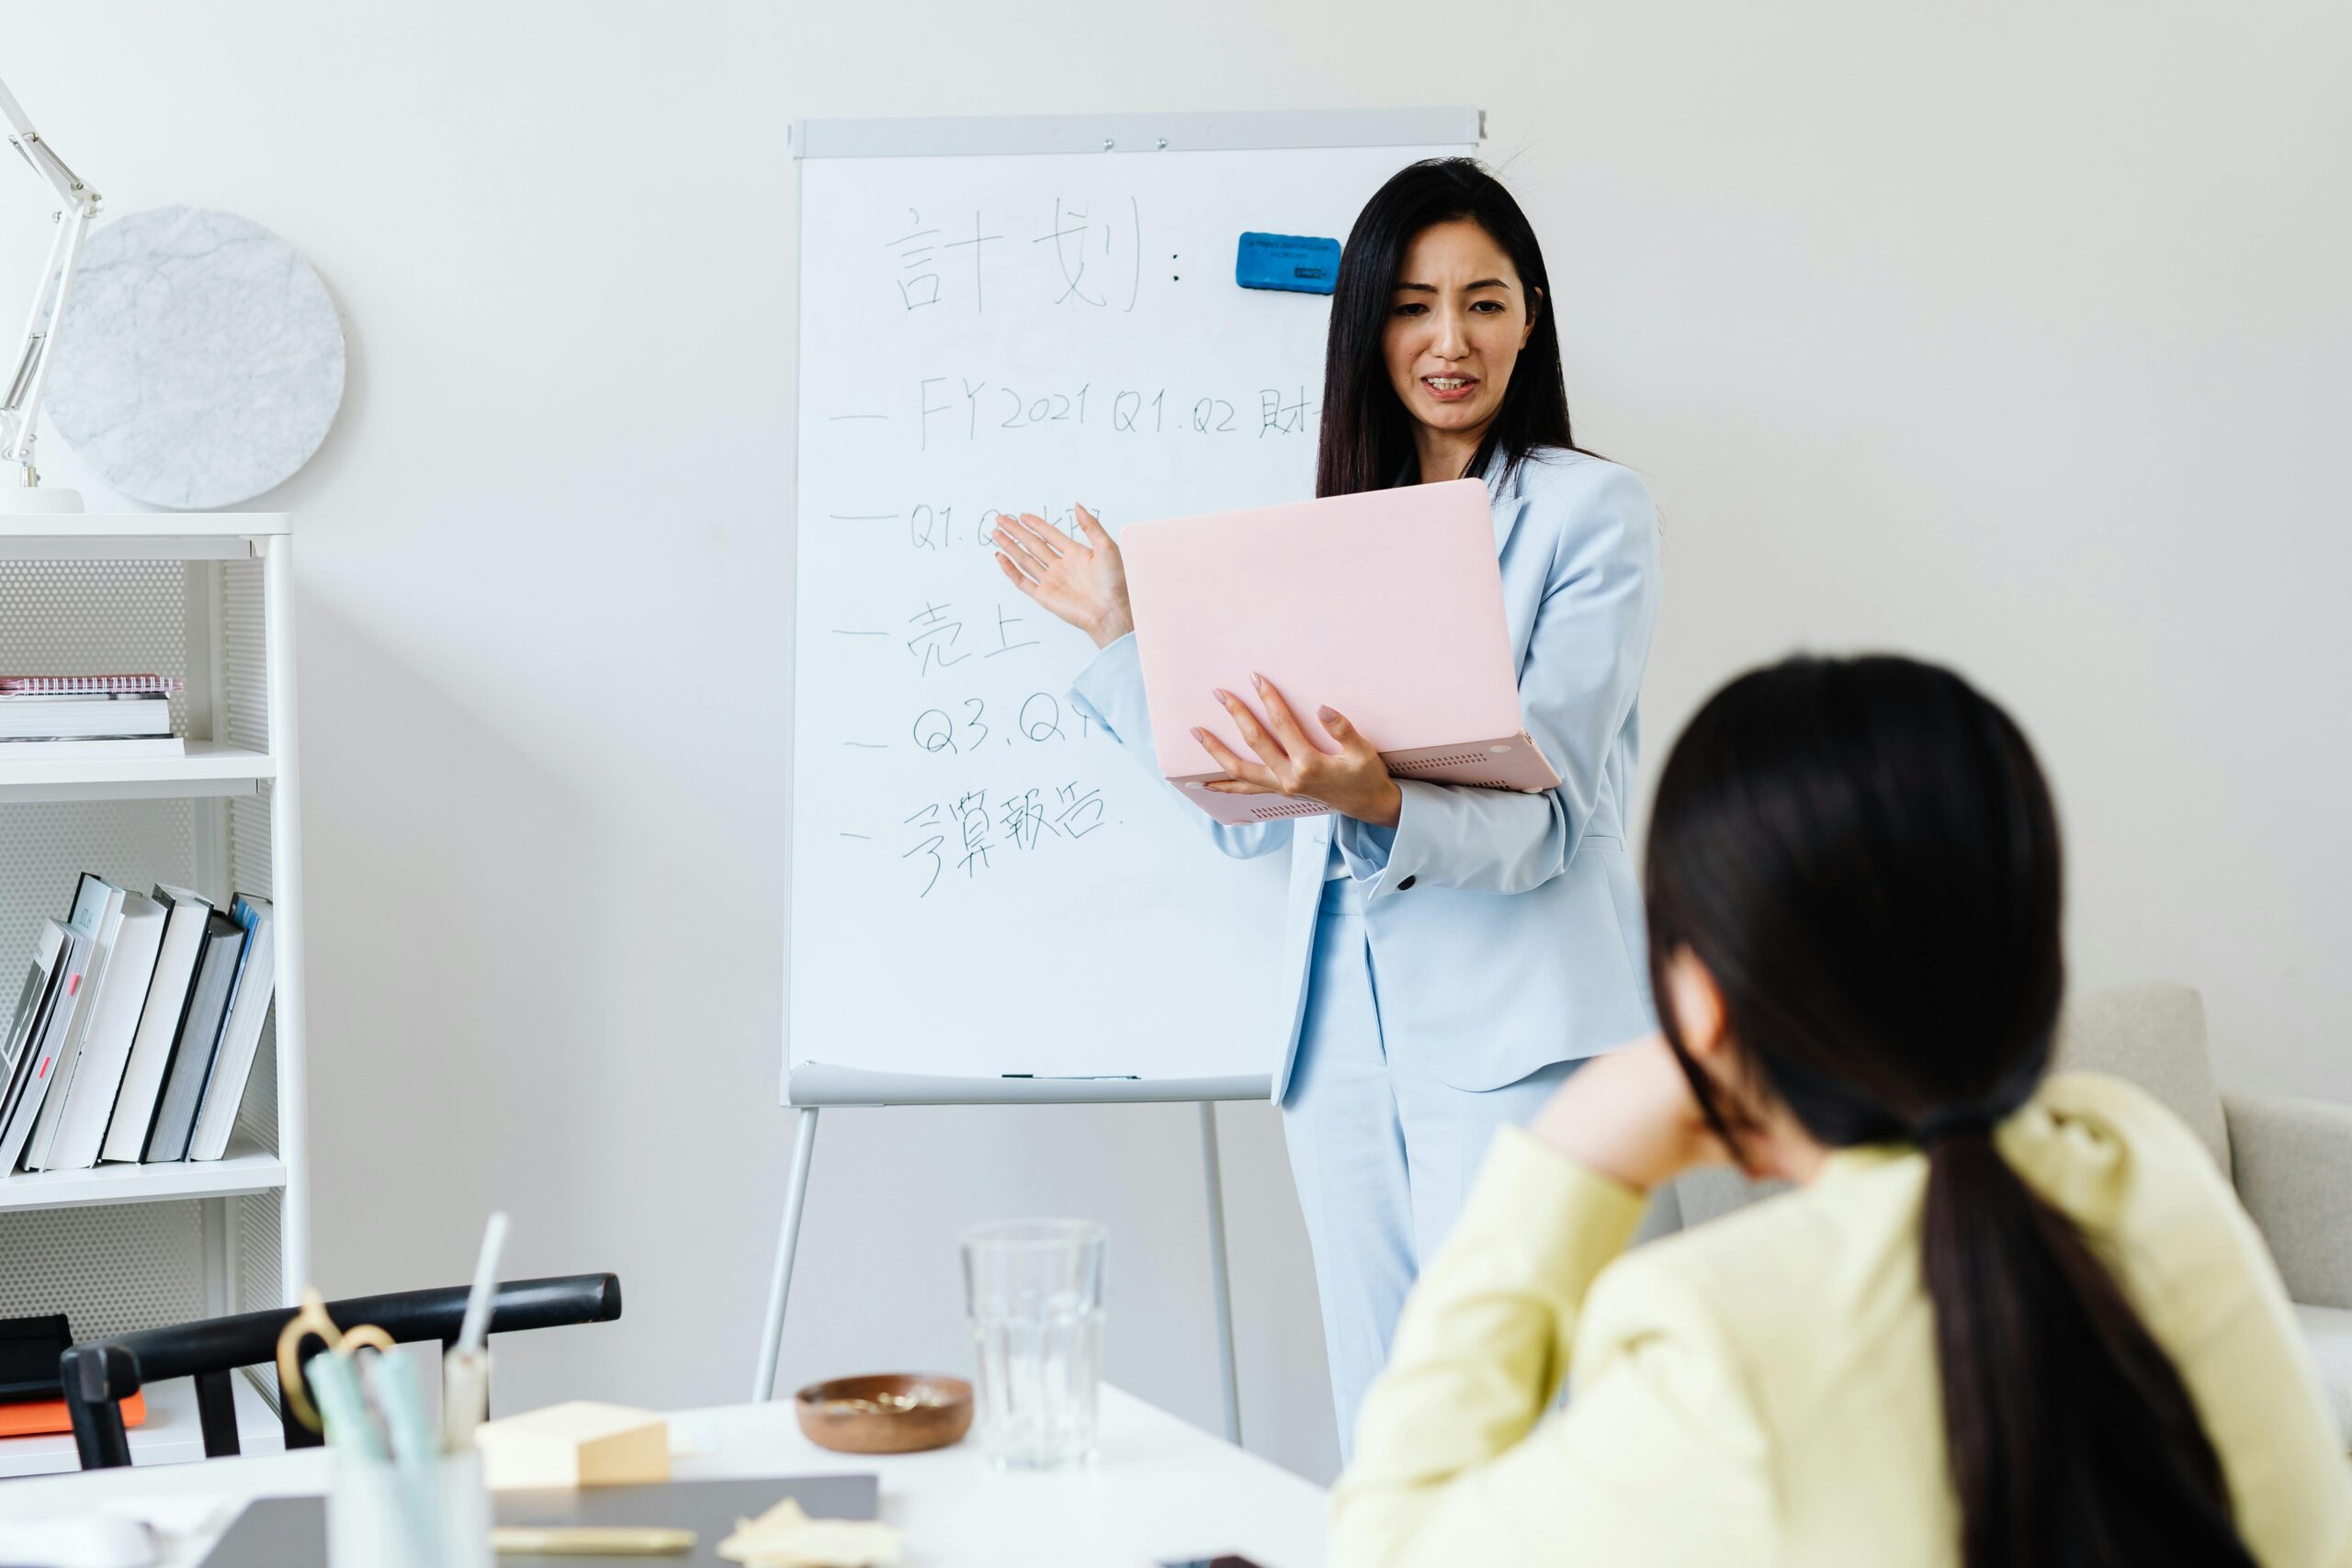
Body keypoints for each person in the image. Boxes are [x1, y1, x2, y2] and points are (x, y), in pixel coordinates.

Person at [1329, 653, 2352, 1567]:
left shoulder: (1716, 1349)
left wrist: (1571, 1152)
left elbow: (1386, 1547)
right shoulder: (2142, 1158)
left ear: (1703, 1000)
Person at [990, 158, 1659, 1450]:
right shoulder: (1328, 531)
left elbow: (1550, 822)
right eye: (1412, 306)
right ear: (1367, 328)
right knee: (1386, 1431)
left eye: (1483, 302)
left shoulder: (1591, 513)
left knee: (1524, 1429)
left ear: (1531, 317)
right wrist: (1127, 641)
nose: (1449, 340)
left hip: (1517, 1046)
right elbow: (1239, 811)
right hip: (1338, 1049)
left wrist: (1382, 799)